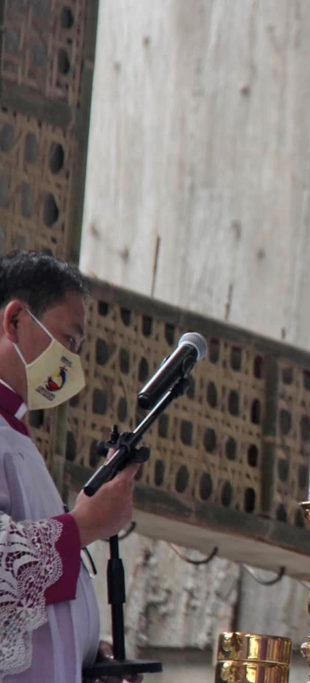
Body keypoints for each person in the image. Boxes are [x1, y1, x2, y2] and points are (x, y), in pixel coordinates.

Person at [0, 251, 140, 682]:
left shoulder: (16, 435)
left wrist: (85, 655)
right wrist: (83, 526)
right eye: (68, 340)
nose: (71, 361)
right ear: (16, 320)